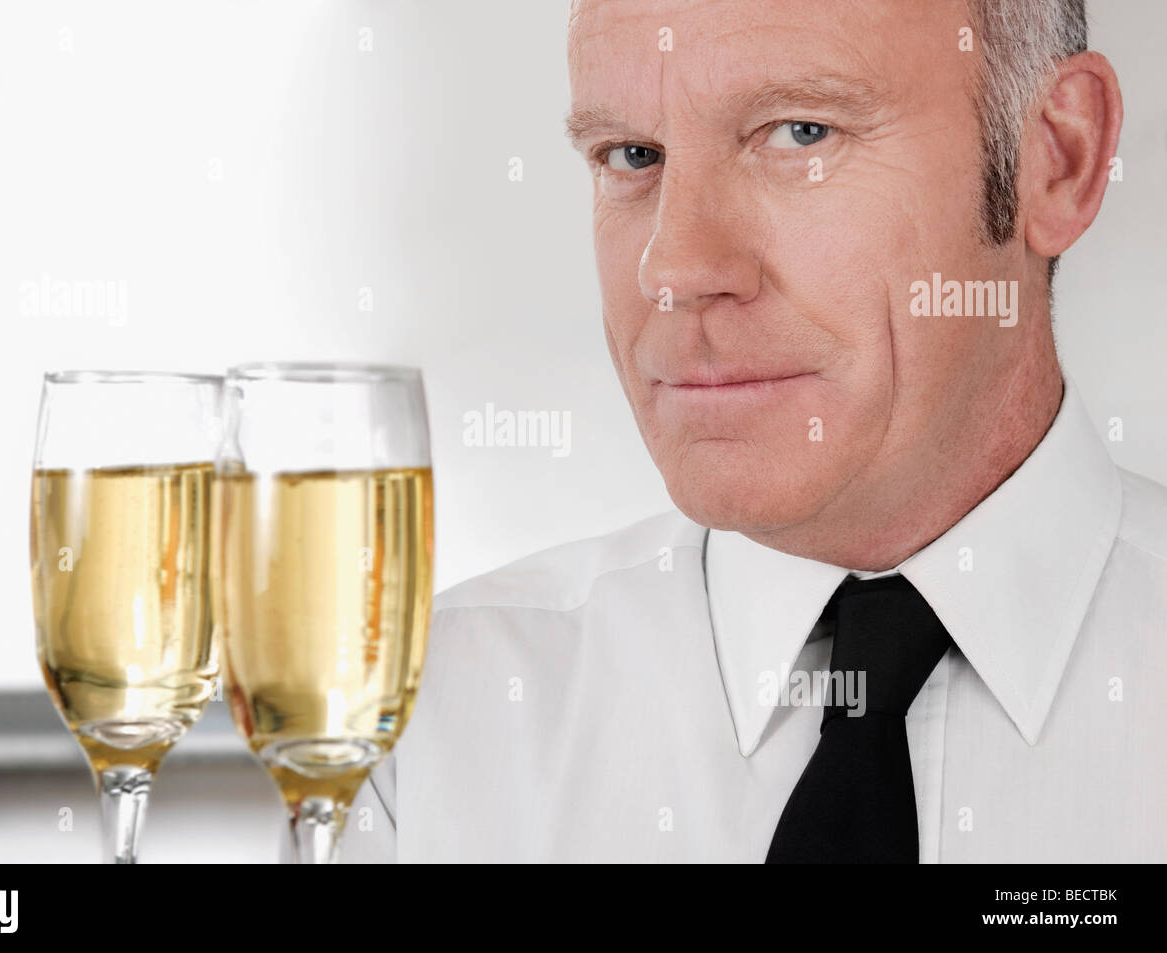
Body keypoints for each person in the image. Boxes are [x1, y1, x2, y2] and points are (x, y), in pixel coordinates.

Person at [343, 0, 1167, 862]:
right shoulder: (417, 732)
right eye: (633, 156)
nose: (676, 268)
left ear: (1057, 160)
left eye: (802, 133)